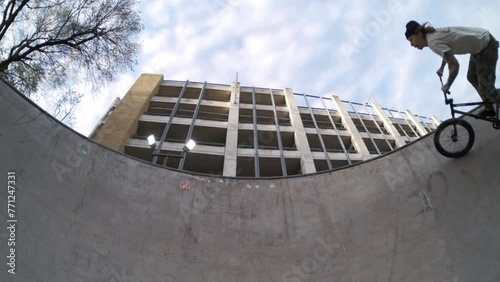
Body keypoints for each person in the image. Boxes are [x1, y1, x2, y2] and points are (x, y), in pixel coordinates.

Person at [405, 20, 500, 117]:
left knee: (487, 87)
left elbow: (454, 65)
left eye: (411, 39)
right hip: (479, 45)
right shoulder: (432, 36)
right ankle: (489, 108)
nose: (411, 44)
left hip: (486, 45)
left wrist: (448, 85)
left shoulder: (432, 42)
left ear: (419, 34)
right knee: (472, 77)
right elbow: (447, 52)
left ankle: (492, 100)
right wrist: (442, 67)